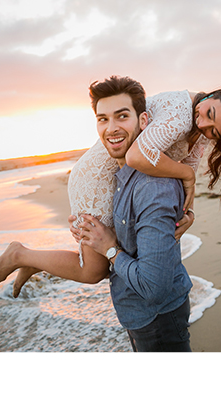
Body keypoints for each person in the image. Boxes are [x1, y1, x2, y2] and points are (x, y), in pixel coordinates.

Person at [0, 75, 221, 298]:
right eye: (209, 114)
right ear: (214, 94)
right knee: (93, 271)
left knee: (110, 255)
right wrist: (188, 179)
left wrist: (187, 211)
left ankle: (32, 263)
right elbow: (139, 156)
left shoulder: (199, 127)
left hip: (124, 181)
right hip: (96, 179)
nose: (204, 124)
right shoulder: (181, 112)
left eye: (214, 131)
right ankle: (20, 255)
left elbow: (183, 168)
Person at [76, 84, 193, 351]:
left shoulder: (152, 188)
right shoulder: (123, 177)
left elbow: (154, 288)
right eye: (103, 119)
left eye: (122, 116)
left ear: (143, 121)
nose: (111, 127)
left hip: (158, 319)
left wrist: (109, 249)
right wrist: (91, 234)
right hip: (139, 315)